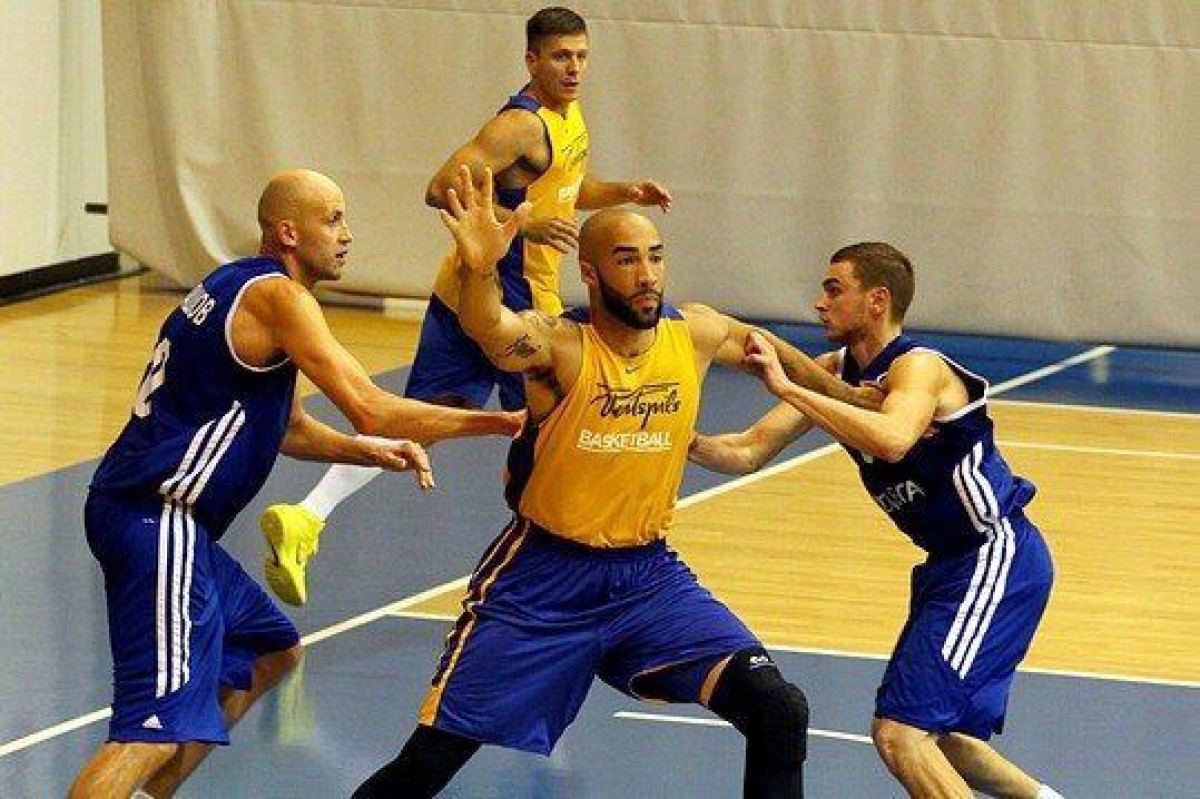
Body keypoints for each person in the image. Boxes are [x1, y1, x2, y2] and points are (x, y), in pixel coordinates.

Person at [352, 168, 878, 798]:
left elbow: (762, 344)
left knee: (778, 709)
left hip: (647, 577)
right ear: (592, 273)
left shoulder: (694, 332)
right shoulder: (559, 345)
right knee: (426, 767)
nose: (647, 274)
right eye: (627, 260)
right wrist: (481, 267)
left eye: (655, 257)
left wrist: (847, 395)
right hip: (542, 581)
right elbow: (489, 326)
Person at [68, 169, 522, 799]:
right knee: (149, 733)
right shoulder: (280, 299)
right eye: (332, 220)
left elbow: (289, 427)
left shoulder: (233, 284)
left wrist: (365, 451)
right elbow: (371, 406)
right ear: (287, 232)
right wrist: (506, 420)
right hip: (157, 517)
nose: (346, 234)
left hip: (156, 519)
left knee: (270, 648)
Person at [258, 6, 673, 602]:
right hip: (508, 301)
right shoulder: (519, 125)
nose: (574, 68)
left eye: (582, 56)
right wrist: (521, 227)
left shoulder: (567, 116)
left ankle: (307, 517)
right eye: (561, 57)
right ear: (532, 60)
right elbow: (441, 188)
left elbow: (560, 187)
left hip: (463, 293)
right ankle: (554, 565)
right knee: (559, 428)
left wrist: (621, 192)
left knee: (425, 416)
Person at [689, 243, 1064, 799]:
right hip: (948, 567)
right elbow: (746, 451)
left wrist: (788, 387)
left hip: (993, 555)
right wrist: (675, 438)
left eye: (834, 290)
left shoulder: (919, 367)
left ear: (877, 300)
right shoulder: (833, 374)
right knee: (947, 740)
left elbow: (891, 439)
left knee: (901, 735)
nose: (819, 303)